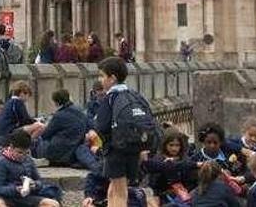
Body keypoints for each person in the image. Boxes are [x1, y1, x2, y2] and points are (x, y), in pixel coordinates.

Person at [88, 56, 154, 207]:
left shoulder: (110, 98)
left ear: (112, 78)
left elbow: (101, 125)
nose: (100, 79)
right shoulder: (134, 95)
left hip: (115, 149)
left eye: (102, 76)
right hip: (133, 148)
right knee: (115, 188)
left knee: (119, 191)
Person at [0, 130, 62, 207]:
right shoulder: (1, 162)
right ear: (11, 147)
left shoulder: (28, 160)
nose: (23, 156)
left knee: (53, 204)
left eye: (26, 153)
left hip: (27, 197)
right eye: (20, 152)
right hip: (7, 198)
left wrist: (34, 185)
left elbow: (39, 181)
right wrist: (15, 189)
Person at [141, 128, 199, 205]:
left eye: (177, 145)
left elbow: (191, 181)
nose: (174, 148)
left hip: (183, 196)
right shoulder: (158, 160)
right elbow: (153, 183)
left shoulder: (185, 160)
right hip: (162, 196)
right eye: (171, 145)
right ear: (165, 145)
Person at [33, 89, 86, 167]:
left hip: (58, 152)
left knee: (38, 141)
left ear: (56, 103)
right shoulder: (81, 112)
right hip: (73, 152)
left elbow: (45, 135)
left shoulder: (59, 115)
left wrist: (47, 124)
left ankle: (35, 158)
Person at [0, 81, 44, 150]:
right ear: (22, 93)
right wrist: (37, 121)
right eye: (28, 95)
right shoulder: (18, 102)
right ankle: (26, 146)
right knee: (40, 126)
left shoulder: (9, 102)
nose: (27, 99)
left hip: (0, 135)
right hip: (8, 134)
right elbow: (25, 120)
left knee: (33, 127)